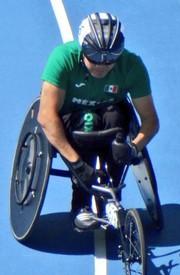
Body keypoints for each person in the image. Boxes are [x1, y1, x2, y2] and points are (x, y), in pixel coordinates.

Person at [37, 12, 159, 231]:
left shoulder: (132, 66)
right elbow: (46, 117)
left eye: (111, 56)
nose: (102, 64)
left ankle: (111, 195)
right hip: (72, 119)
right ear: (83, 46)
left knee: (115, 119)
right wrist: (77, 164)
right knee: (88, 121)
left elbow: (150, 121)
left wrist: (133, 147)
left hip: (111, 117)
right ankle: (81, 202)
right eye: (95, 54)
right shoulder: (62, 59)